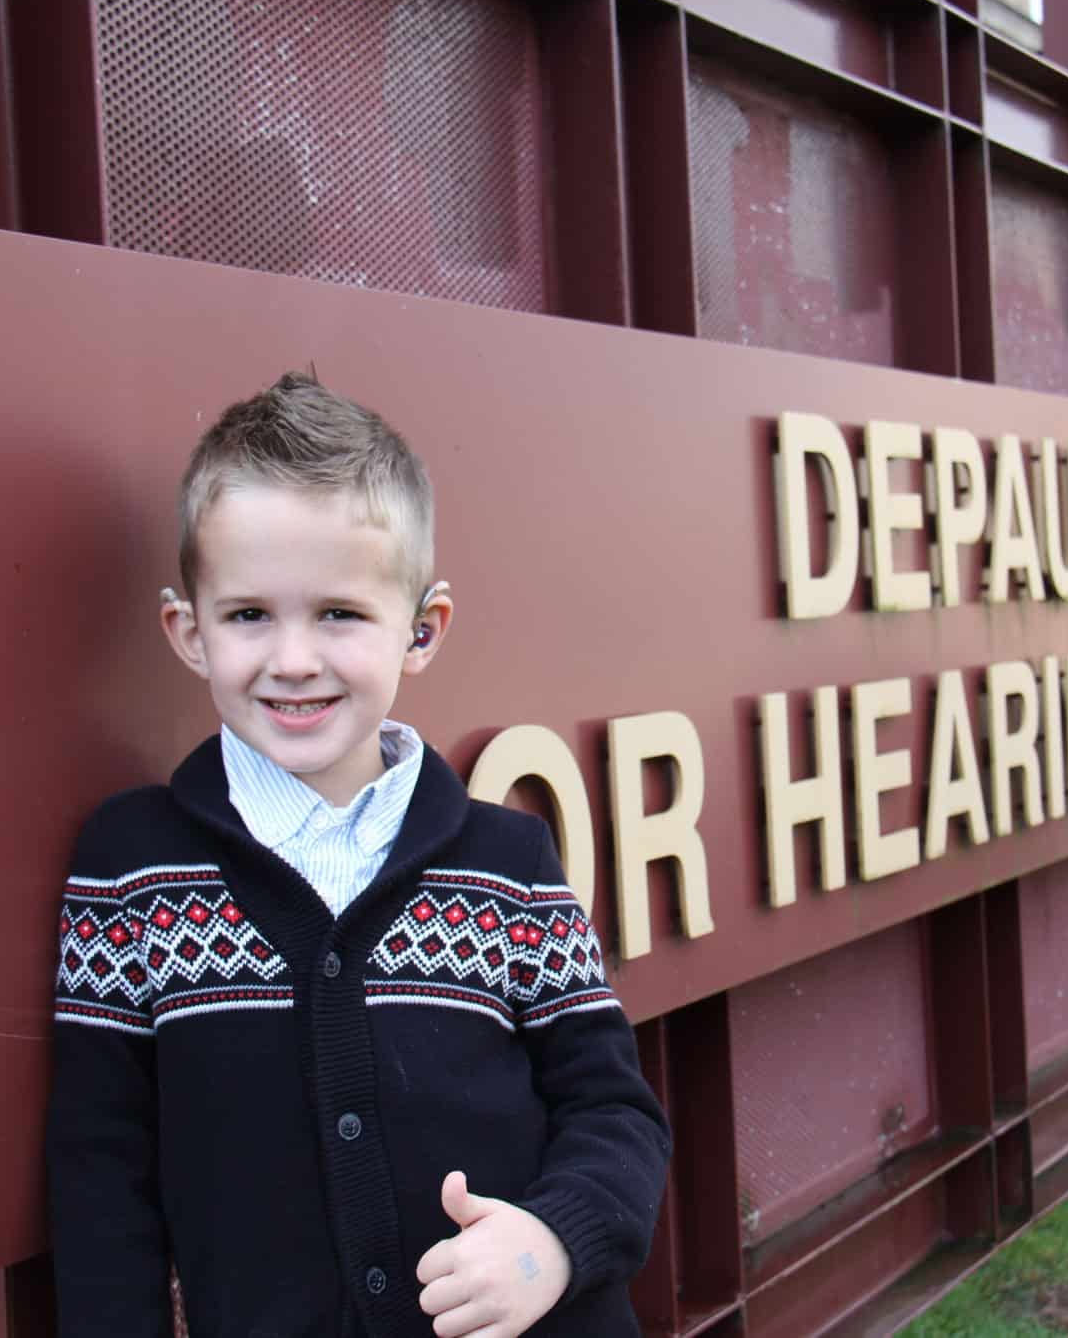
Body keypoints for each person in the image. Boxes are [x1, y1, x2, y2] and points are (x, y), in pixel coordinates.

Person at [45, 371, 671, 1337]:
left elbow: (615, 1111)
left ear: (422, 630)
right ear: (189, 632)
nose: (294, 658)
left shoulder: (508, 863)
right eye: (249, 614)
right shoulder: (130, 869)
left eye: (339, 613)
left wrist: (552, 1240)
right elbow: (99, 1175)